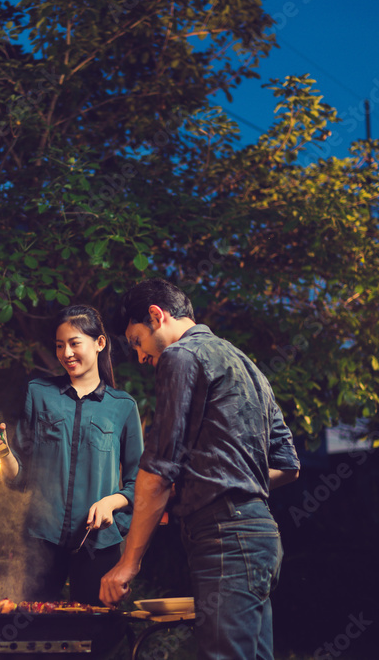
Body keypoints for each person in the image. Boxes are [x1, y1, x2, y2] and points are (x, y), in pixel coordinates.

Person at [100, 278, 301, 660]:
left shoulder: (181, 357)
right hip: (260, 538)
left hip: (224, 538)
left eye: (136, 341)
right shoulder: (246, 364)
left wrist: (127, 565)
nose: (140, 356)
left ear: (156, 316)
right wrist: (212, 484)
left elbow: (157, 471)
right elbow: (287, 467)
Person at [0, 305, 144, 605]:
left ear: (100, 343)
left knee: (94, 635)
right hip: (41, 539)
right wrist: (4, 452)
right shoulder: (39, 393)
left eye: (74, 343)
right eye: (59, 345)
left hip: (99, 542)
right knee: (32, 632)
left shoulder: (123, 406)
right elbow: (21, 478)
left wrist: (111, 501)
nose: (66, 353)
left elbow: (139, 483)